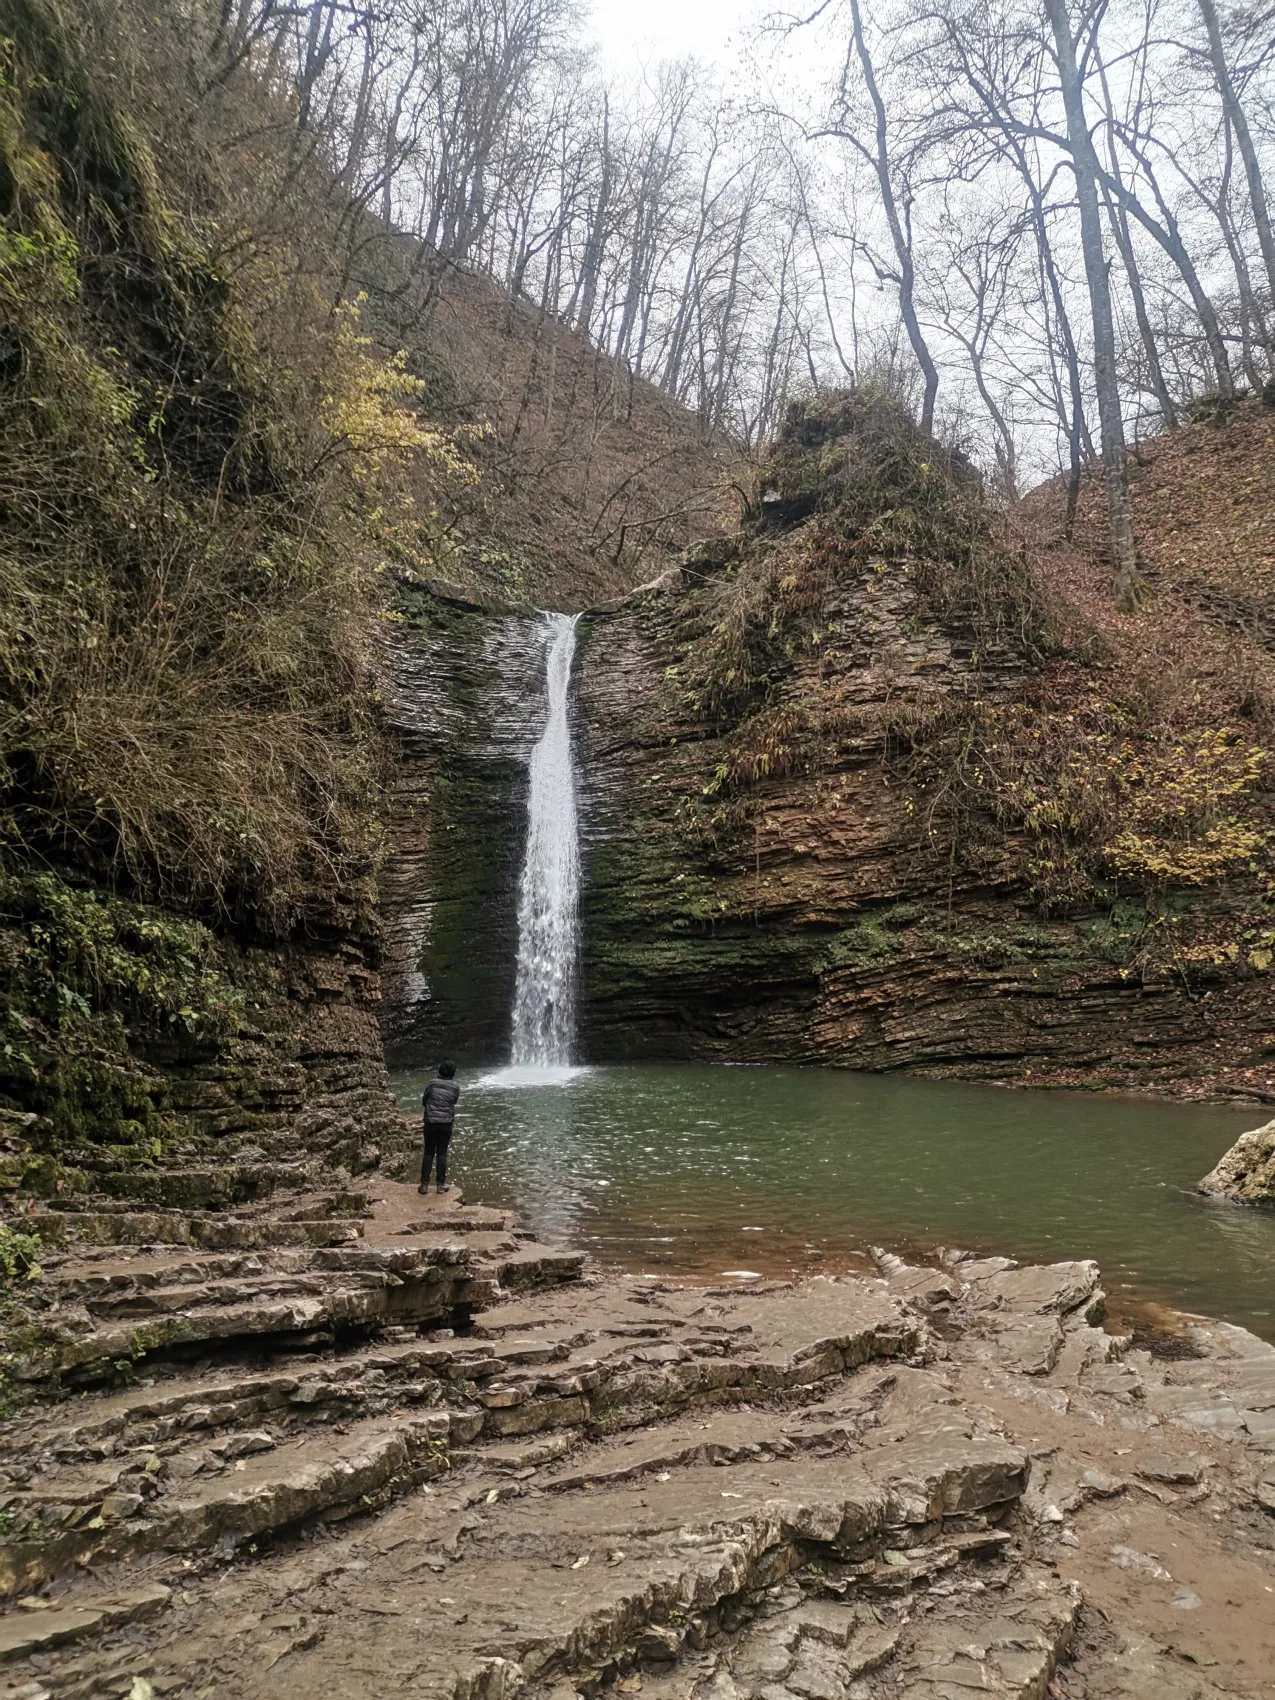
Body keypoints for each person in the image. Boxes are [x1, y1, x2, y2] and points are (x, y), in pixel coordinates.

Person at [420, 1060, 460, 1195]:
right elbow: (453, 1101)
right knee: (442, 1153)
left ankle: (424, 1185)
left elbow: (424, 1101)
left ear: (440, 1071)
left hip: (431, 1122)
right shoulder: (455, 1087)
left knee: (428, 1153)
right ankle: (440, 1185)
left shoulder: (432, 1084)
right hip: (446, 1123)